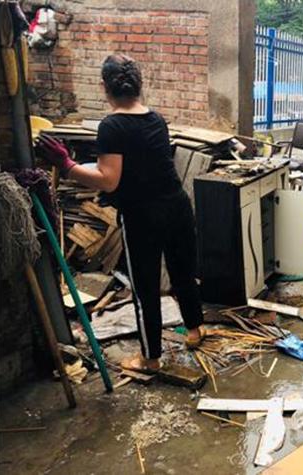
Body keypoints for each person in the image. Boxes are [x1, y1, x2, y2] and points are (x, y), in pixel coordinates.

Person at [36, 54, 205, 373]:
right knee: (183, 272)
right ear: (139, 85)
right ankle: (195, 331)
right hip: (177, 206)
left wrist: (67, 165)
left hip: (143, 216)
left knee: (145, 287)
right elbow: (142, 167)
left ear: (104, 86)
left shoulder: (111, 125)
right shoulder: (156, 119)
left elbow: (109, 179)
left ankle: (150, 358)